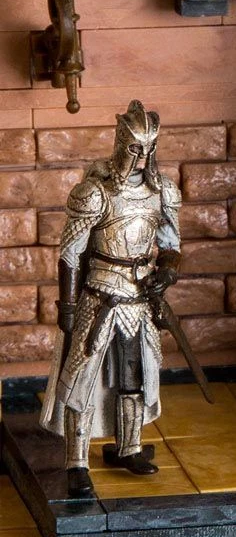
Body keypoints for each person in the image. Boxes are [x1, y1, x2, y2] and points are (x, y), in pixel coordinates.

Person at [40, 101, 181, 498]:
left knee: (135, 374)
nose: (143, 156)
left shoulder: (162, 192)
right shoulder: (94, 194)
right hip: (100, 294)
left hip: (139, 298)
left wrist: (167, 272)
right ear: (121, 144)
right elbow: (71, 254)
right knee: (82, 378)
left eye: (149, 148)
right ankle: (76, 461)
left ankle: (129, 447)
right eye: (136, 147)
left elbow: (171, 245)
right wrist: (68, 307)